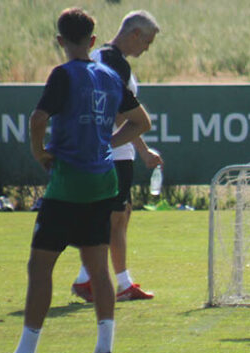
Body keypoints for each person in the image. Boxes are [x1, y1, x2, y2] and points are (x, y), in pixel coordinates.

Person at [0, 8, 151, 353]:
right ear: (92, 40)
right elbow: (141, 122)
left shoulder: (63, 74)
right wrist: (106, 141)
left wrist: (40, 153)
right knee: (97, 267)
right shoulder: (108, 73)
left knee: (40, 266)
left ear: (60, 41)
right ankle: (104, 352)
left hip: (69, 182)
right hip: (103, 180)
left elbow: (38, 119)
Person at [71, 10, 162, 303]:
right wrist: (142, 149)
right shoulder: (113, 62)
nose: (147, 49)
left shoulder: (101, 56)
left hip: (112, 148)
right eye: (146, 41)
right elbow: (122, 113)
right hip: (111, 150)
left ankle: (119, 282)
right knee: (111, 217)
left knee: (119, 216)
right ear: (134, 34)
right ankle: (90, 280)